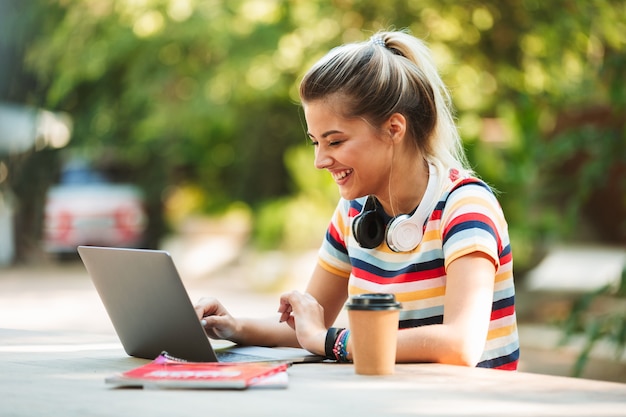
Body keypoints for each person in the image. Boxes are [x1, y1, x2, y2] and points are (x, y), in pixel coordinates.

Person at [195, 30, 520, 370]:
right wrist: (232, 326)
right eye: (315, 143)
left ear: (394, 129)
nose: (320, 161)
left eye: (334, 142)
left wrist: (333, 341)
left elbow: (461, 345)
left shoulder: (465, 207)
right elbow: (308, 330)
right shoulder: (353, 213)